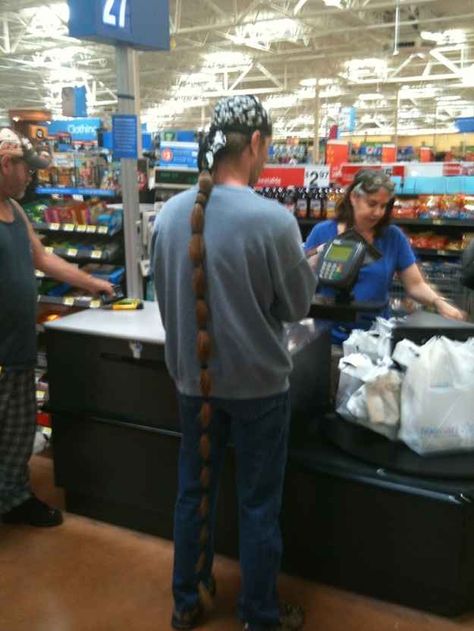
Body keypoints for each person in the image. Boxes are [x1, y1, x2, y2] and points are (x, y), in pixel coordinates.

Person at [152, 96, 316, 631]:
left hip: (191, 387)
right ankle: (260, 615)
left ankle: (187, 599)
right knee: (258, 505)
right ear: (257, 145)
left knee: (191, 492)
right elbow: (295, 307)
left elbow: (167, 297)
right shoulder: (274, 221)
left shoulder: (171, 215)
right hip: (259, 392)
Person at [0, 128, 113, 528]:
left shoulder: (14, 213)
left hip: (18, 349)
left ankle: (13, 498)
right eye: (26, 169)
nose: (32, 177)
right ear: (4, 164)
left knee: (17, 431)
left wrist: (91, 283)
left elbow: (45, 260)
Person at [305, 168, 465, 344]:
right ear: (354, 198)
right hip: (326, 336)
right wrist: (312, 263)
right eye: (372, 204)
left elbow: (415, 284)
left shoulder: (393, 237)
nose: (378, 212)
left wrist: (438, 302)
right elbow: (301, 282)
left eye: (384, 206)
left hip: (374, 338)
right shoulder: (323, 232)